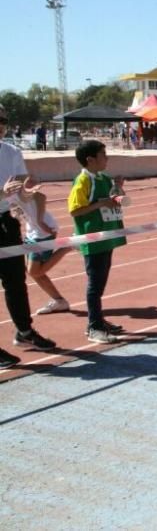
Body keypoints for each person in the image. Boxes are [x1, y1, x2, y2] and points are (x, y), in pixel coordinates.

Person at [0, 108, 56, 369]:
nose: (1, 126)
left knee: (15, 281)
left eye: (3, 121)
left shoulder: (10, 152)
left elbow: (21, 191)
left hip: (5, 223)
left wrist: (29, 193)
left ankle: (24, 332)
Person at [68, 140, 128, 344]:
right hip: (93, 238)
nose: (107, 157)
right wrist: (99, 203)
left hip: (107, 236)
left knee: (100, 282)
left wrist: (118, 188)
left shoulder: (103, 177)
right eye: (103, 154)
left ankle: (98, 320)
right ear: (90, 159)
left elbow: (116, 199)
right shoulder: (83, 181)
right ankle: (94, 326)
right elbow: (75, 209)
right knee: (95, 284)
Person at [10, 182, 71, 315]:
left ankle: (66, 248)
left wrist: (47, 231)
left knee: (34, 271)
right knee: (32, 271)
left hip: (42, 233)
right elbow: (18, 213)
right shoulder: (11, 196)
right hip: (32, 233)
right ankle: (59, 301)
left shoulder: (35, 195)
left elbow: (40, 211)